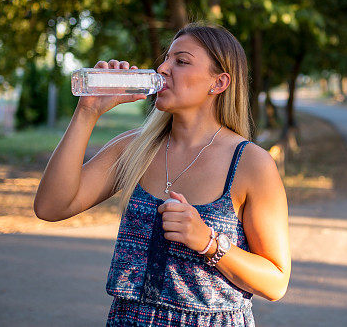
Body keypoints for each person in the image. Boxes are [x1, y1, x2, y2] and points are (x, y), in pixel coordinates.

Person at [33, 23, 290, 326]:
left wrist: (208, 241)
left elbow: (276, 282)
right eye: (166, 58)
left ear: (219, 83)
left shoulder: (250, 164)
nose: (163, 67)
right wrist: (87, 112)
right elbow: (50, 207)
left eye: (181, 61)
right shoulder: (134, 148)